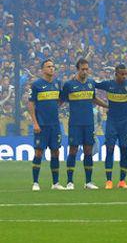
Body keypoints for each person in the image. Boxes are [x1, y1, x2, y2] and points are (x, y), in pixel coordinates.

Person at [60, 58, 107, 190]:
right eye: (83, 69)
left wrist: (107, 105)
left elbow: (93, 99)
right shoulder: (69, 85)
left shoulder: (91, 83)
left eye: (87, 69)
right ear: (78, 69)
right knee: (73, 151)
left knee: (88, 151)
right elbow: (61, 100)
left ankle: (88, 182)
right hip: (75, 123)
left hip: (89, 123)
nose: (85, 71)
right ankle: (70, 182)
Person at [96, 64, 127, 189]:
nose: (124, 76)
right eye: (122, 74)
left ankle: (122, 181)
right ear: (116, 74)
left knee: (124, 150)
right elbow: (93, 84)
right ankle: (109, 181)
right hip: (112, 122)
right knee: (109, 149)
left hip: (125, 123)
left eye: (126, 74)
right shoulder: (108, 84)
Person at [27, 59, 63, 191]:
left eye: (53, 66)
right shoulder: (36, 85)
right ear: (43, 70)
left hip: (55, 125)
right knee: (38, 152)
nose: (51, 68)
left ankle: (55, 183)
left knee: (56, 152)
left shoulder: (57, 84)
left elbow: (60, 100)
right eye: (49, 66)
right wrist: (35, 123)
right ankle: (35, 183)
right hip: (41, 125)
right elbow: (30, 104)